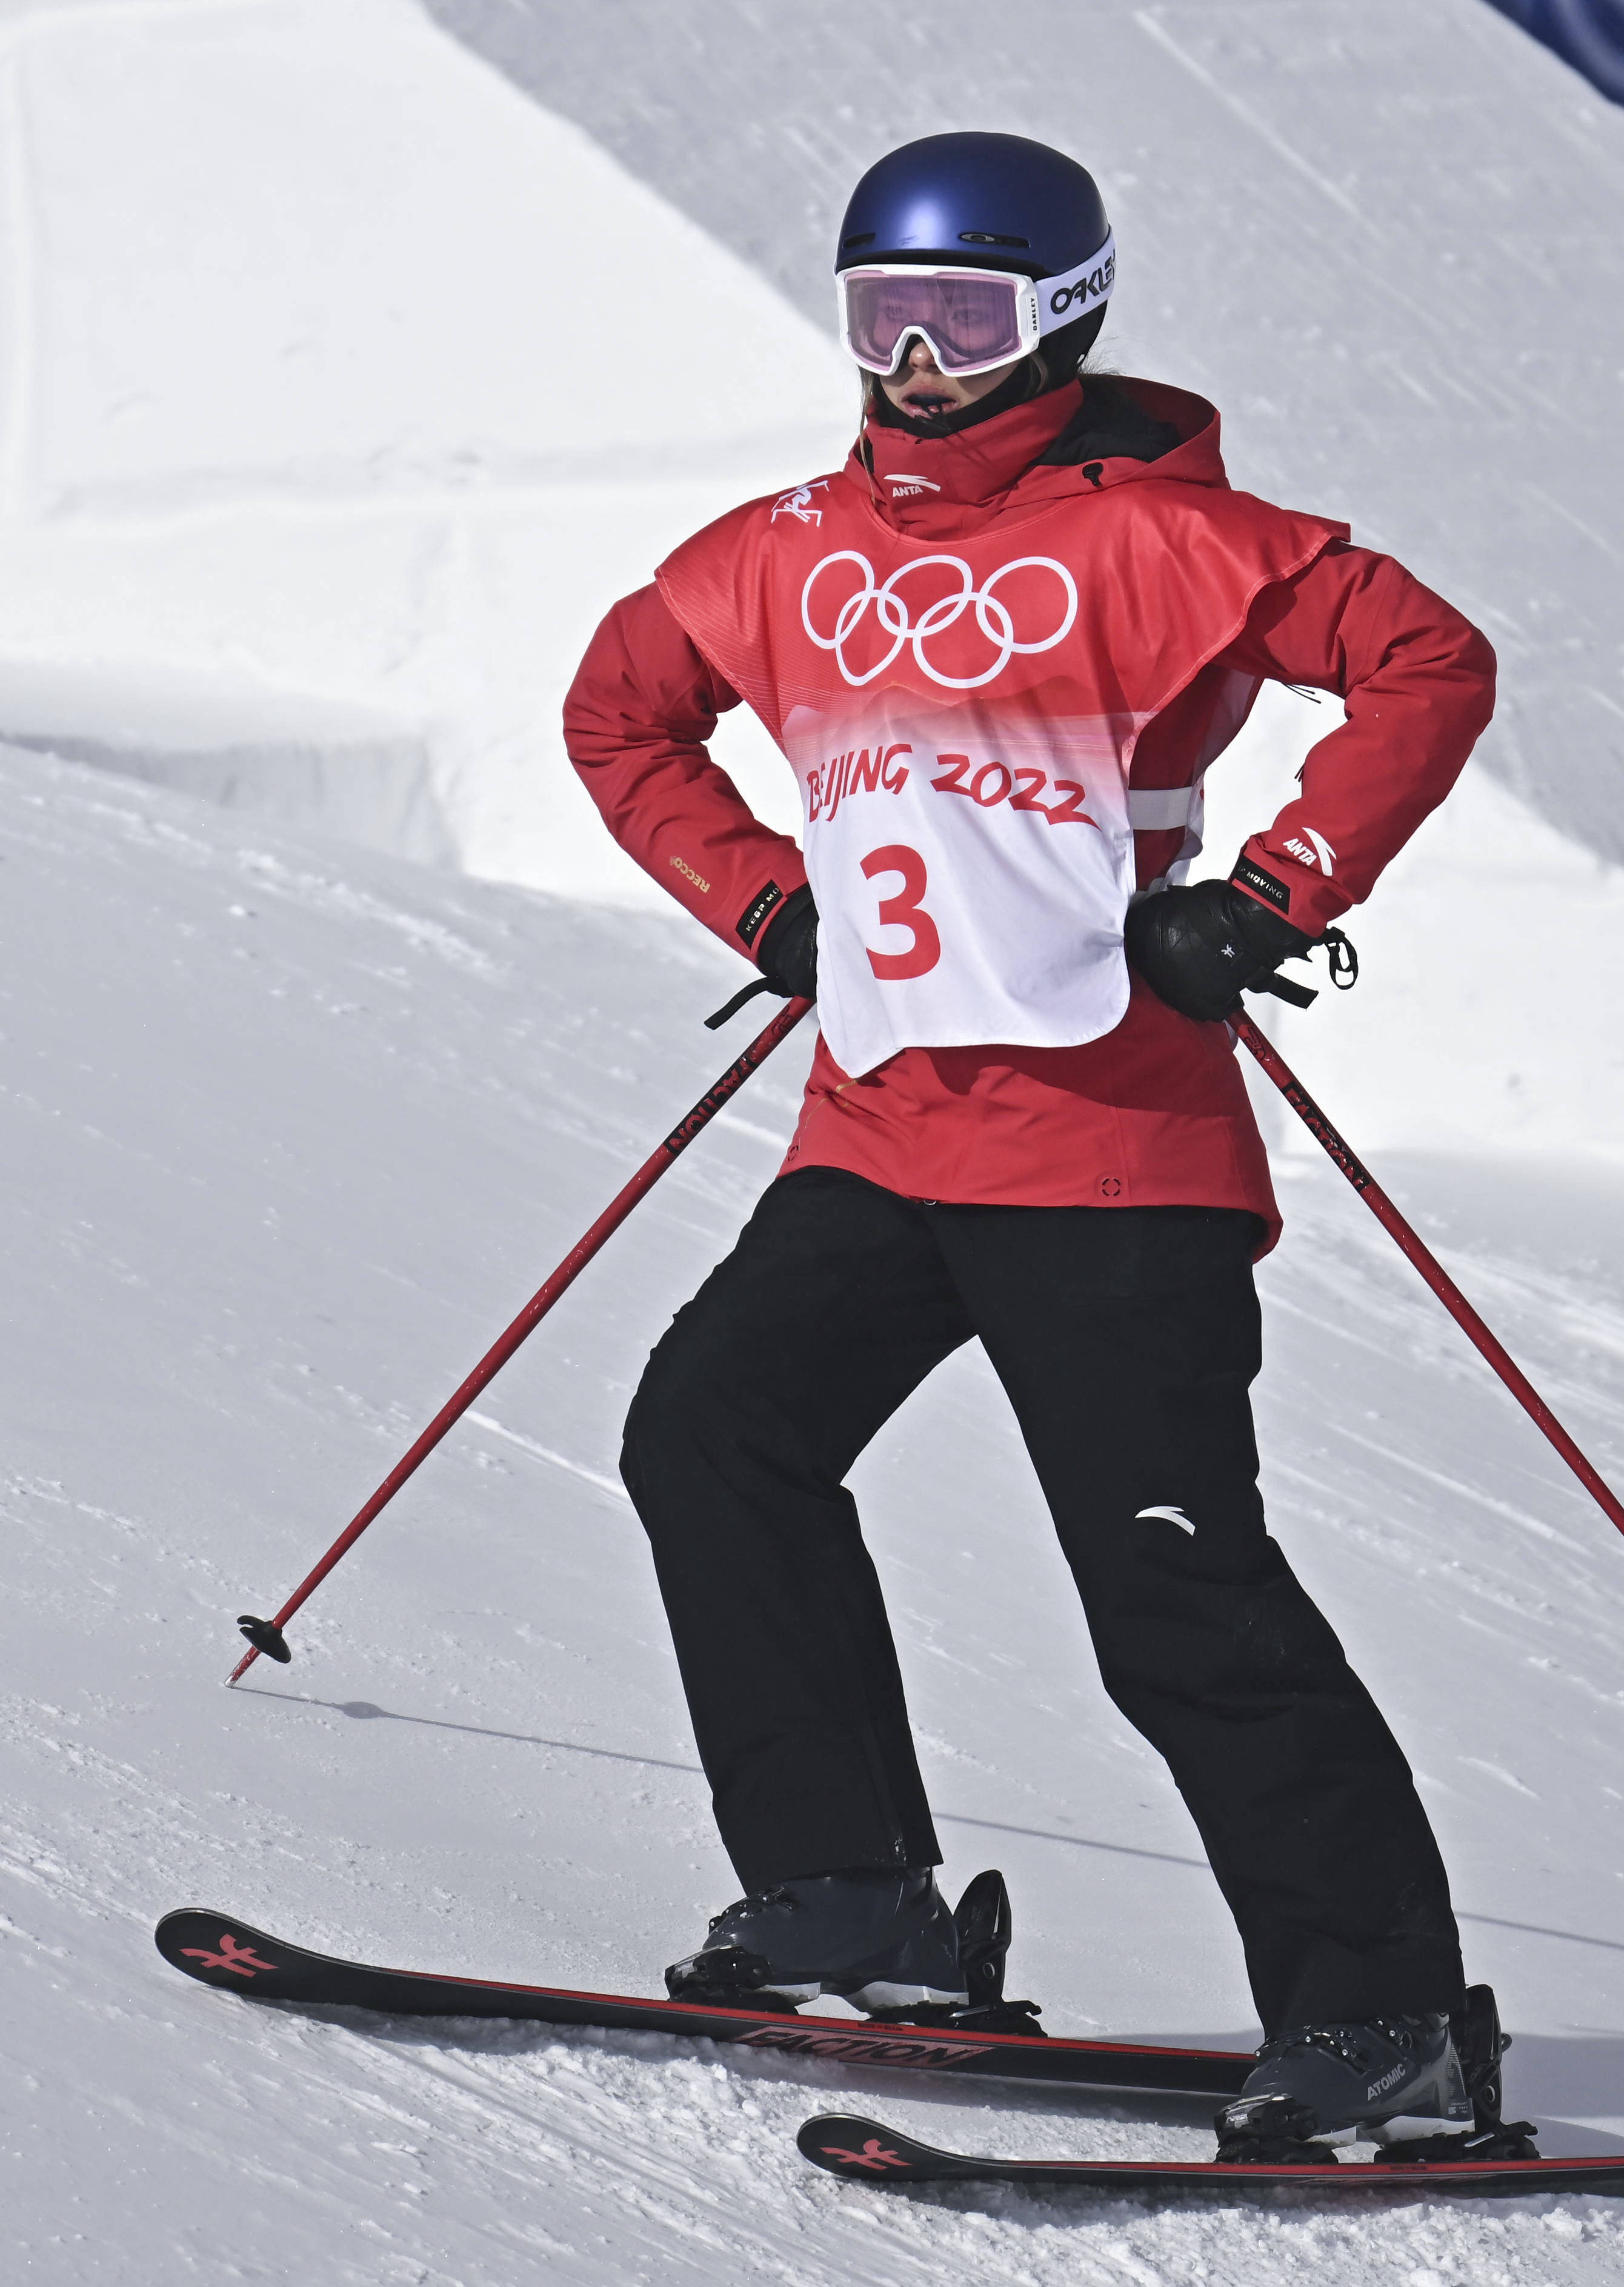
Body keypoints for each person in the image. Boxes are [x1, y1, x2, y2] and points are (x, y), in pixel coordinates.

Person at [561, 131, 1501, 2157]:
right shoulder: (786, 548)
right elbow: (620, 715)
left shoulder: (1173, 538)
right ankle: (848, 1897)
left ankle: (1384, 2029)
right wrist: (762, 904)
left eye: (961, 320)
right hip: (883, 1136)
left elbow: (1428, 661)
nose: (914, 362)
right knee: (712, 1431)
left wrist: (1270, 895)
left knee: (1173, 1600)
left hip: (1112, 1164)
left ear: (1061, 318)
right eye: (881, 316)